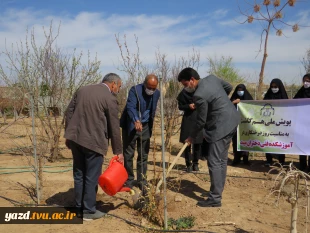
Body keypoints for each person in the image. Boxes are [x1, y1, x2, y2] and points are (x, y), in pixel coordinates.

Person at [64, 73, 124, 221]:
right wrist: (118, 151)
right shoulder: (110, 98)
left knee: (79, 174)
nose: (118, 90)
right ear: (113, 84)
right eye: (119, 87)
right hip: (94, 143)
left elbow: (68, 112)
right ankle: (89, 211)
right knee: (91, 177)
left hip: (76, 140)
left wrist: (68, 134)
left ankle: (79, 207)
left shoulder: (82, 90)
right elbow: (114, 127)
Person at [178, 67, 240, 207]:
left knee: (214, 161)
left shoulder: (199, 95)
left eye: (185, 84)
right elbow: (228, 87)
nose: (185, 88)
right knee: (222, 160)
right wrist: (219, 100)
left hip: (221, 125)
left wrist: (191, 137)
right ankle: (217, 191)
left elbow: (201, 121)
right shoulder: (212, 78)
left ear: (192, 80)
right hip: (232, 119)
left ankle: (215, 198)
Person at [120, 74, 160, 191]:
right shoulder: (135, 90)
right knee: (128, 154)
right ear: (144, 84)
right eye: (149, 87)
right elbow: (130, 107)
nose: (151, 90)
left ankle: (142, 180)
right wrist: (136, 120)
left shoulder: (157, 94)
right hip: (131, 125)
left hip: (146, 126)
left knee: (143, 155)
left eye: (154, 88)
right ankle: (129, 180)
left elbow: (152, 110)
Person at [263, 78, 288, 167]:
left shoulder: (284, 97)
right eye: (272, 86)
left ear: (279, 87)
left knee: (280, 142)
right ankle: (269, 160)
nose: (274, 88)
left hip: (280, 124)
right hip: (269, 124)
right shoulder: (268, 96)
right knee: (268, 141)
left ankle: (281, 161)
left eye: (276, 86)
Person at [177, 88, 203, 172]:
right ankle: (188, 164)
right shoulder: (183, 94)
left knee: (197, 143)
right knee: (187, 143)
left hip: (198, 119)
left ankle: (195, 164)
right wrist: (188, 106)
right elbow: (180, 106)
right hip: (187, 119)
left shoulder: (200, 93)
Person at [230, 84, 254, 166]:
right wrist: (234, 102)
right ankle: (236, 159)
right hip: (235, 123)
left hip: (246, 123)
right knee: (236, 140)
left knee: (246, 140)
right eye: (238, 90)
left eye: (241, 90)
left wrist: (243, 103)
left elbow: (253, 108)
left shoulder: (249, 99)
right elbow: (227, 107)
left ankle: (245, 159)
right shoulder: (233, 99)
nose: (240, 91)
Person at [293, 73, 310, 171]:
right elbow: (294, 102)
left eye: (308, 81)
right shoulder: (301, 92)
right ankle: (302, 166)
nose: (306, 83)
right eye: (304, 81)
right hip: (302, 125)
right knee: (302, 145)